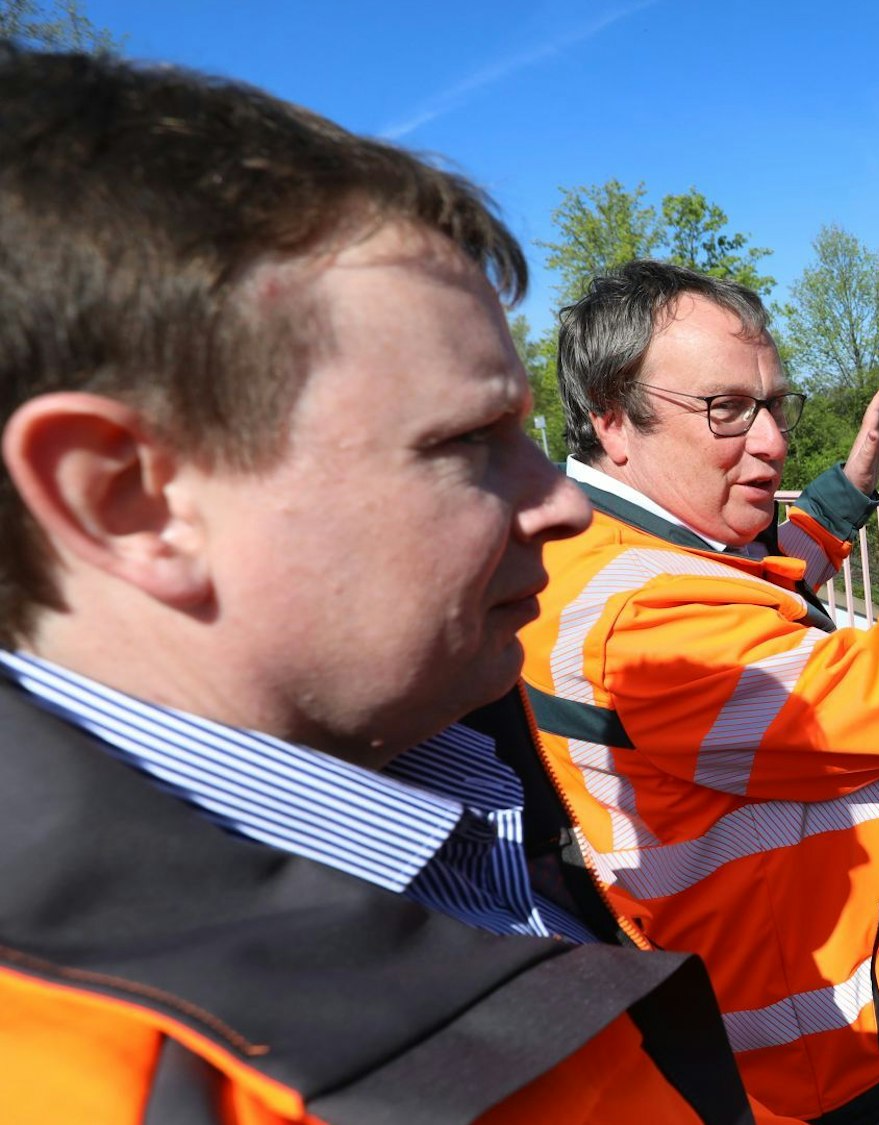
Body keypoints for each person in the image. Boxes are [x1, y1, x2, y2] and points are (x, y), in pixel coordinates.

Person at [0, 47, 753, 1124]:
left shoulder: (438, 746)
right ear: (131, 500)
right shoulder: (127, 1084)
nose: (566, 504)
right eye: (466, 441)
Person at [519, 260, 879, 1123]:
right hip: (824, 1062)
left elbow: (765, 587)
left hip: (820, 1020)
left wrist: (855, 479)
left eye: (772, 405)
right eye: (726, 408)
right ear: (614, 419)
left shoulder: (617, 549)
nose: (772, 441)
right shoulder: (643, 614)